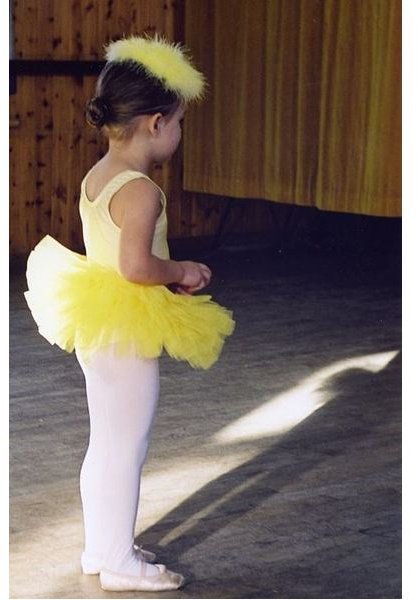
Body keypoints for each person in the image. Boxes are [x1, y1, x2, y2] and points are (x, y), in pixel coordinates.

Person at [24, 33, 235, 592]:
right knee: (127, 445)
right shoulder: (142, 191)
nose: (180, 134)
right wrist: (182, 270)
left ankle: (103, 547)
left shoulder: (100, 174)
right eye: (181, 123)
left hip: (100, 322)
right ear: (155, 123)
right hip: (125, 323)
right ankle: (119, 563)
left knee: (108, 441)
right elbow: (138, 266)